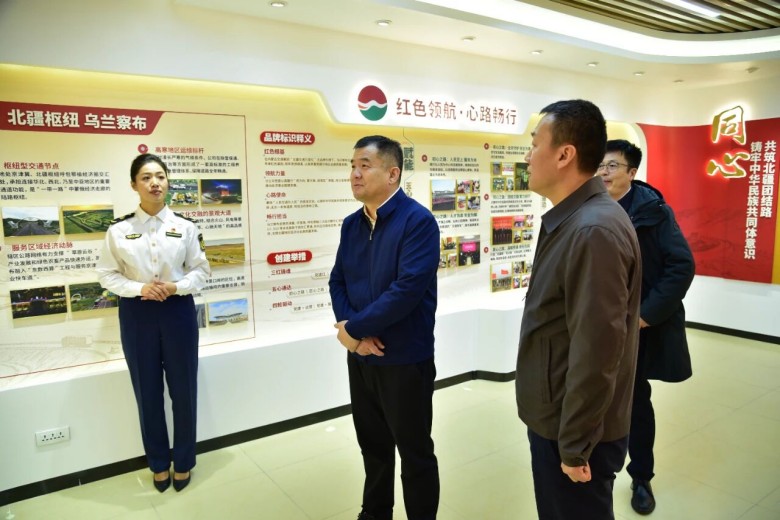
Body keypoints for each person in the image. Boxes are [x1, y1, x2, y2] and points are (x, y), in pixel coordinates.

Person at [515, 100, 642, 519]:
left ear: (564, 155)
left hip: (573, 432)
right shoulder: (574, 220)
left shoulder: (593, 230)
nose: (528, 156)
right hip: (560, 415)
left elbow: (597, 353)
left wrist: (574, 445)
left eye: (535, 144)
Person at [329, 135, 440, 520]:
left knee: (414, 453)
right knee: (373, 447)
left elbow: (406, 291)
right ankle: (375, 513)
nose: (355, 174)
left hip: (404, 359)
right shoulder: (352, 225)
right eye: (353, 166)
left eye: (365, 165)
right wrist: (353, 336)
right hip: (361, 358)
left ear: (393, 174)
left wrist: (352, 330)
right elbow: (338, 281)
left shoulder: (418, 222)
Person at [97, 153, 210, 493]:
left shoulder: (186, 227)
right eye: (146, 177)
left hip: (178, 312)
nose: (155, 183)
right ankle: (159, 463)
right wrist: (140, 288)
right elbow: (107, 275)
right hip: (138, 314)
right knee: (147, 392)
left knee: (184, 390)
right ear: (134, 185)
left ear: (168, 182)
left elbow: (201, 270)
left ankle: (184, 461)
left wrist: (175, 287)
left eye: (160, 176)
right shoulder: (119, 230)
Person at [599, 139, 695, 515]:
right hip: (596, 327)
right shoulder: (588, 206)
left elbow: (680, 266)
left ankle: (641, 476)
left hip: (634, 329)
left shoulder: (653, 212)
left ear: (632, 172)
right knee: (592, 399)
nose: (603, 173)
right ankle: (593, 467)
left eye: (611, 166)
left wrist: (645, 315)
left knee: (635, 403)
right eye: (599, 166)